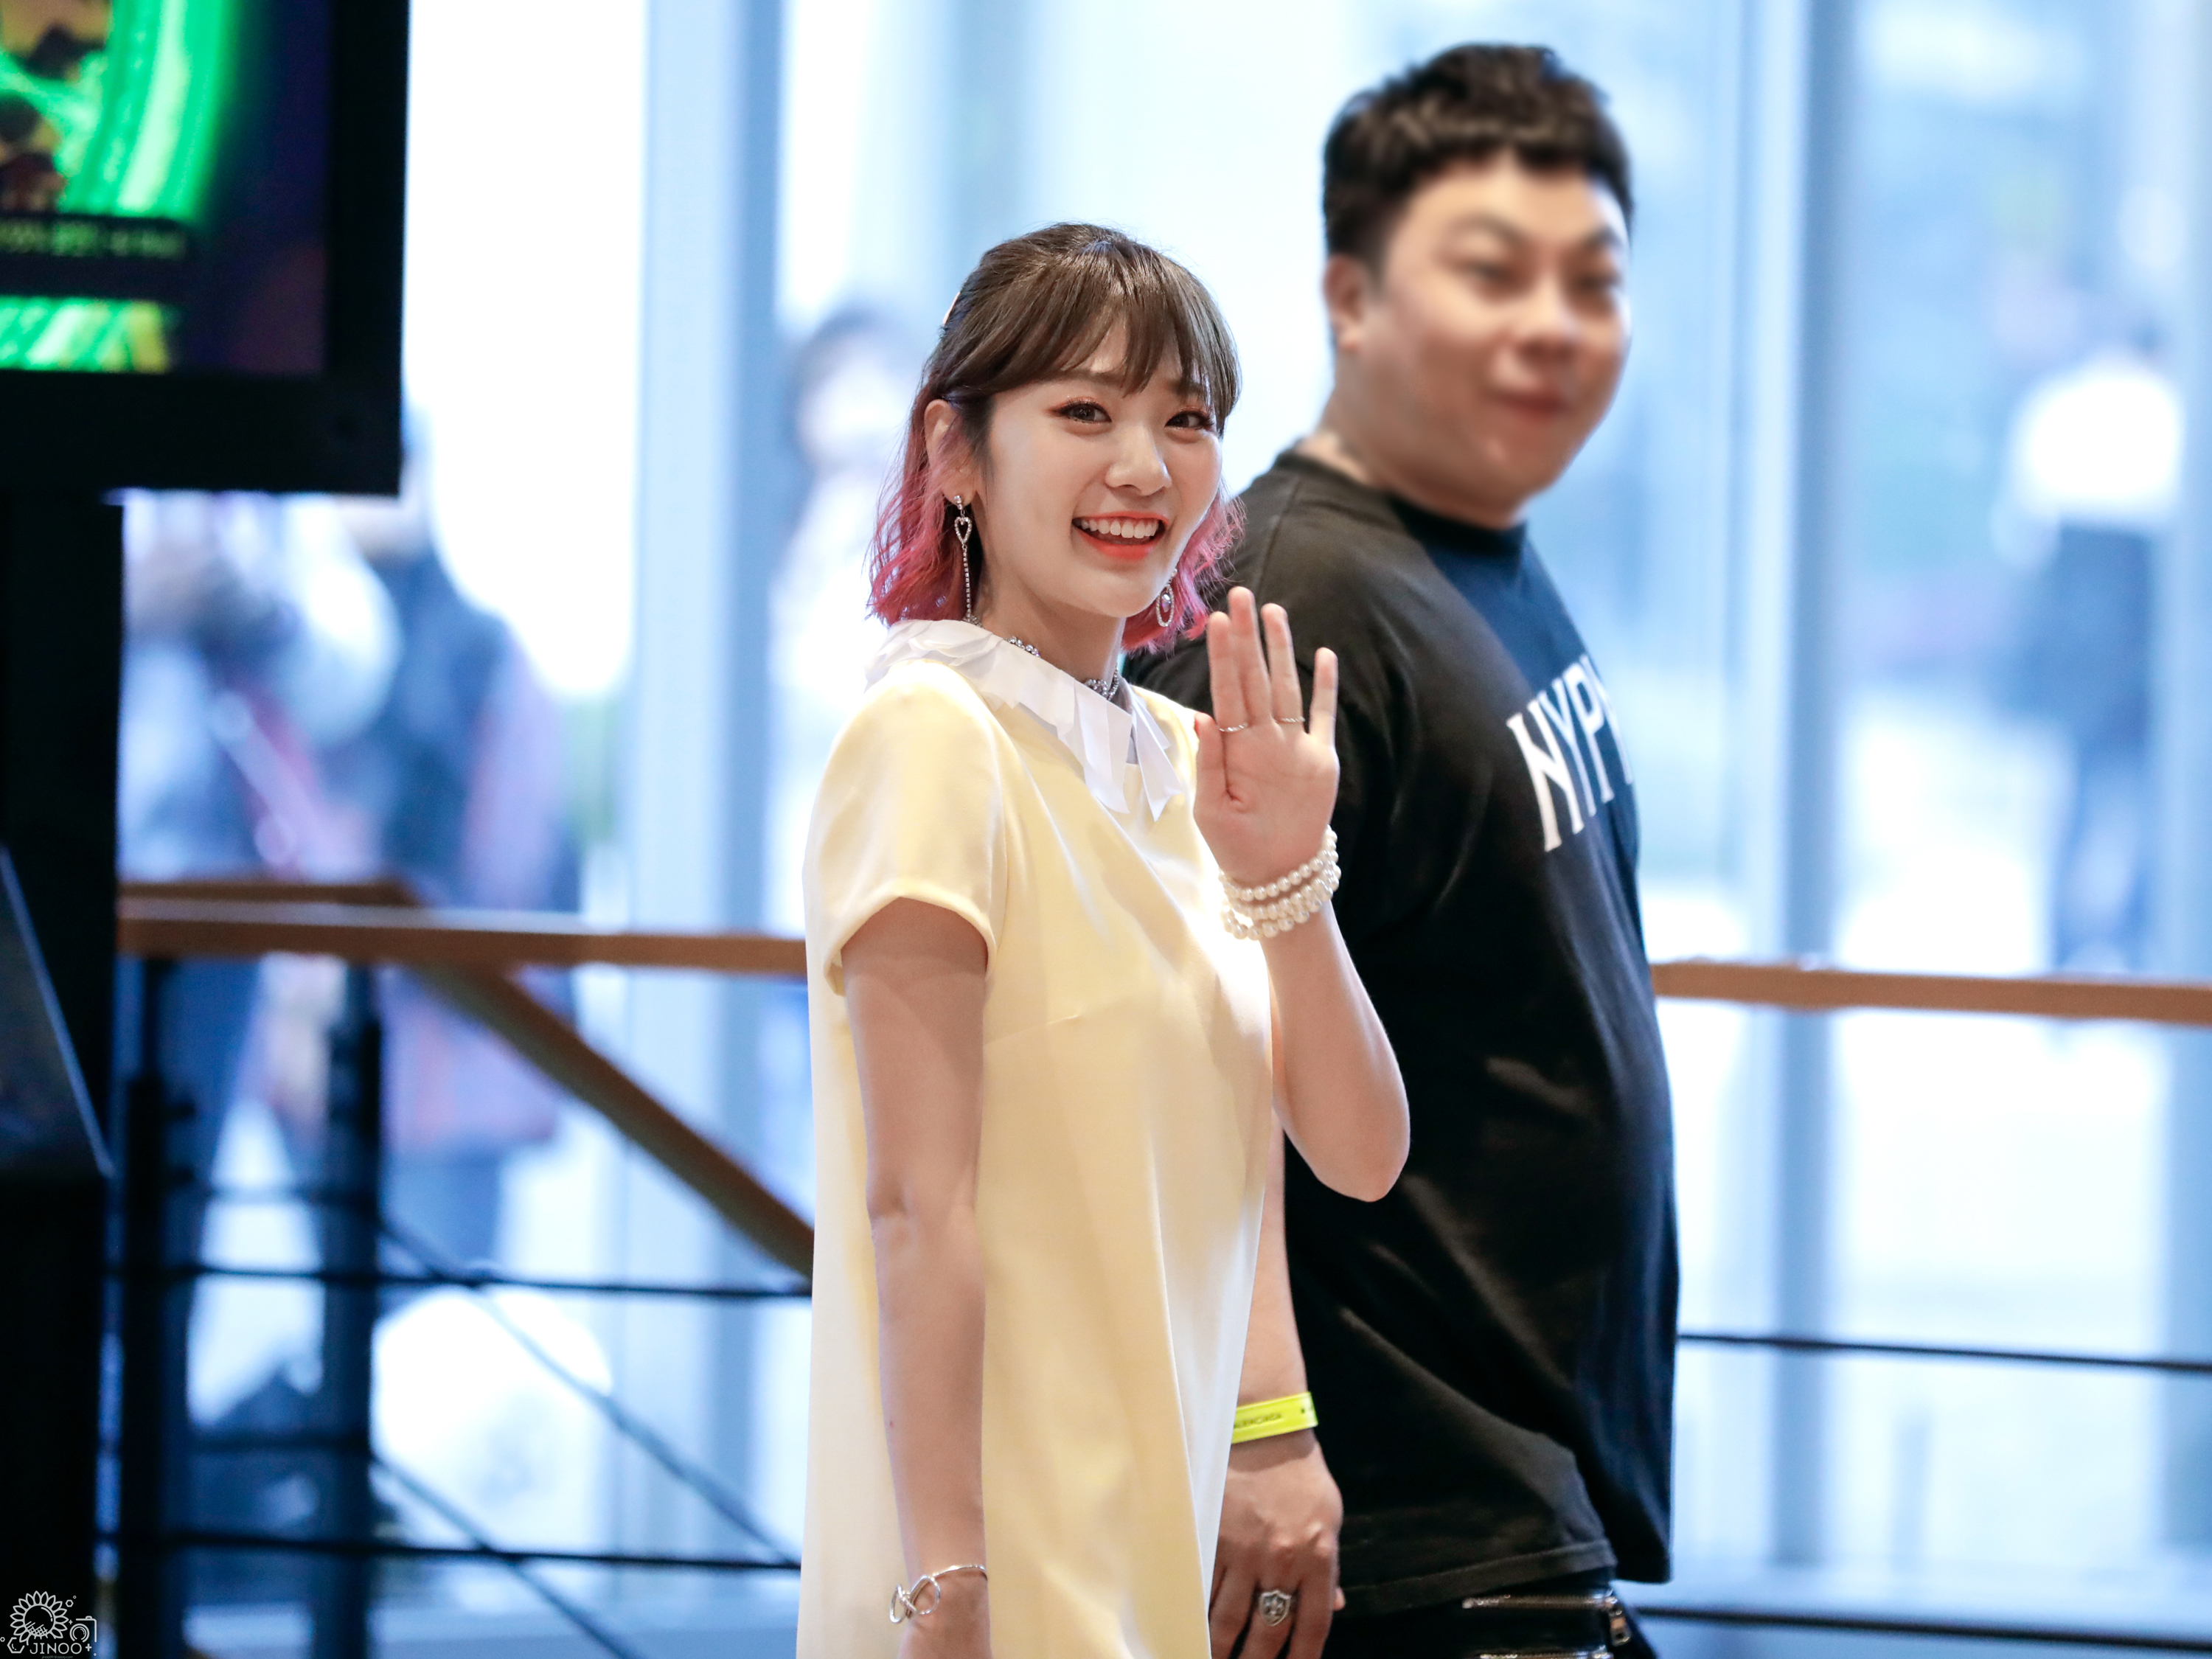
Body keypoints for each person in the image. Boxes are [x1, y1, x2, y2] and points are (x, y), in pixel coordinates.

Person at [797, 223, 1410, 1659]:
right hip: (993, 1572)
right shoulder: (932, 735)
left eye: (1185, 419)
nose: (1143, 464)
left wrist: (1292, 878)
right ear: (955, 452)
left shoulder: (1198, 764)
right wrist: (948, 1588)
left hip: (1155, 1554)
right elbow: (917, 1211)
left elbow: (1359, 1154)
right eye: (1085, 411)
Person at [1130, 46, 1676, 1659]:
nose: (1554, 325)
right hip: (1388, 1535)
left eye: (1594, 280)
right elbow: (1179, 1062)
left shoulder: (1476, 554)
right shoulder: (1282, 600)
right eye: (1493, 273)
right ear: (1351, 299)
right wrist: (1260, 1430)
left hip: (1508, 1509)